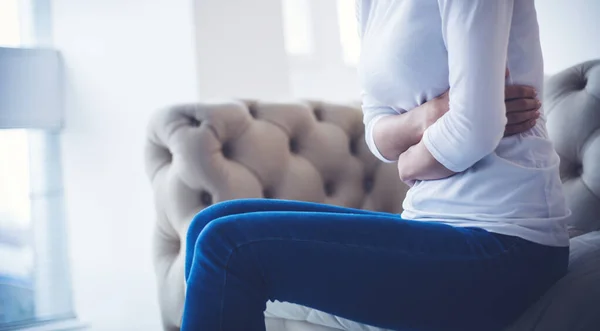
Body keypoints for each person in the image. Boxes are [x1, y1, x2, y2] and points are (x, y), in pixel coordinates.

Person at [181, 1, 570, 330]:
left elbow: (474, 128)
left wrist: (409, 163)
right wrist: (430, 115)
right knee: (207, 225)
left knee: (228, 246)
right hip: (434, 224)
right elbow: (377, 129)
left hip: (506, 242)